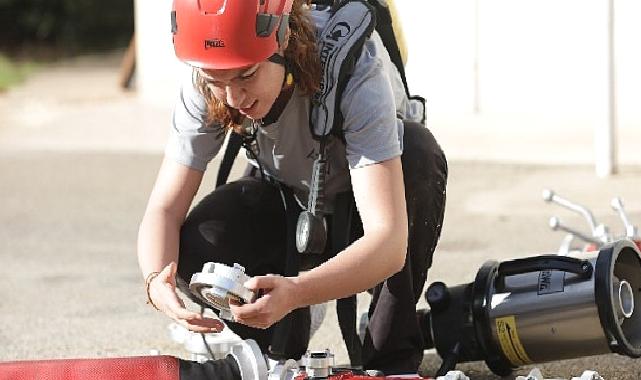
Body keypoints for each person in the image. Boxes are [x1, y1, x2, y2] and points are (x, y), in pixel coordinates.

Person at [137, 0, 447, 374]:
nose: (233, 98)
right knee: (203, 238)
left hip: (368, 215)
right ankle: (281, 340)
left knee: (418, 154)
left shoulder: (355, 69)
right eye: (217, 82)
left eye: (247, 75)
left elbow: (389, 242)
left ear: (283, 39)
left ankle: (390, 351)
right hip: (290, 202)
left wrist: (299, 291)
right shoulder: (207, 76)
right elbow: (164, 209)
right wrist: (157, 282)